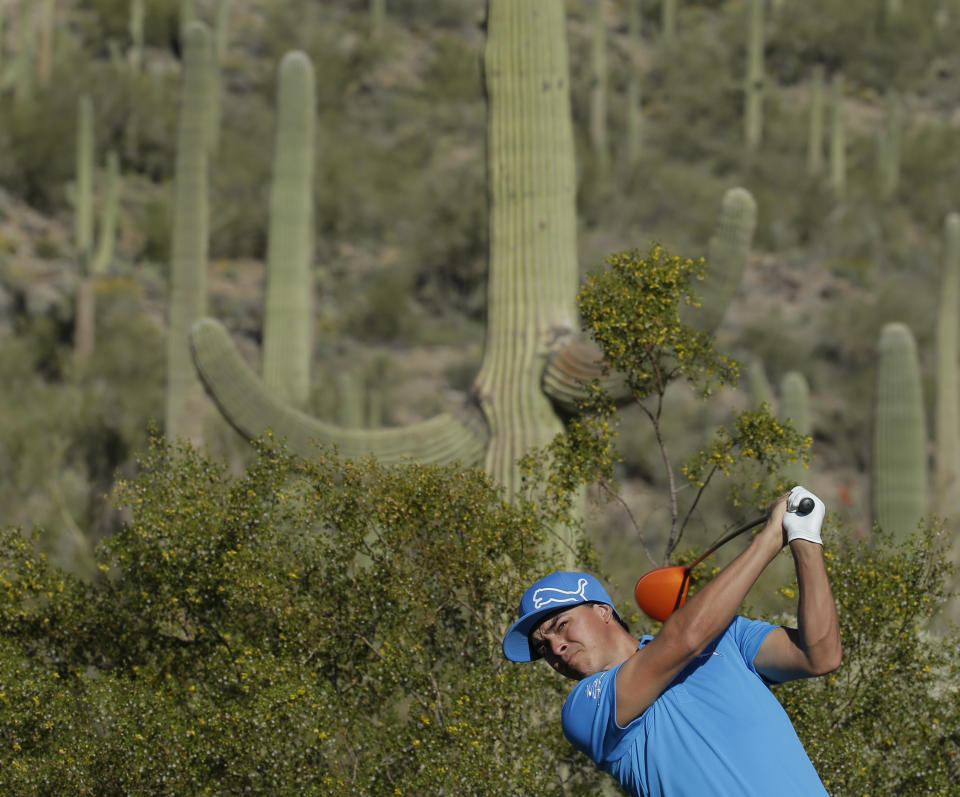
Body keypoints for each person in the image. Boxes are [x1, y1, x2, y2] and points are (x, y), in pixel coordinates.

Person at [502, 486, 841, 796]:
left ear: (603, 611)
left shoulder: (729, 637)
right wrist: (770, 538)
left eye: (561, 625)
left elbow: (820, 656)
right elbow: (684, 640)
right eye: (542, 647)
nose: (556, 648)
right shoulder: (584, 710)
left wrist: (803, 538)